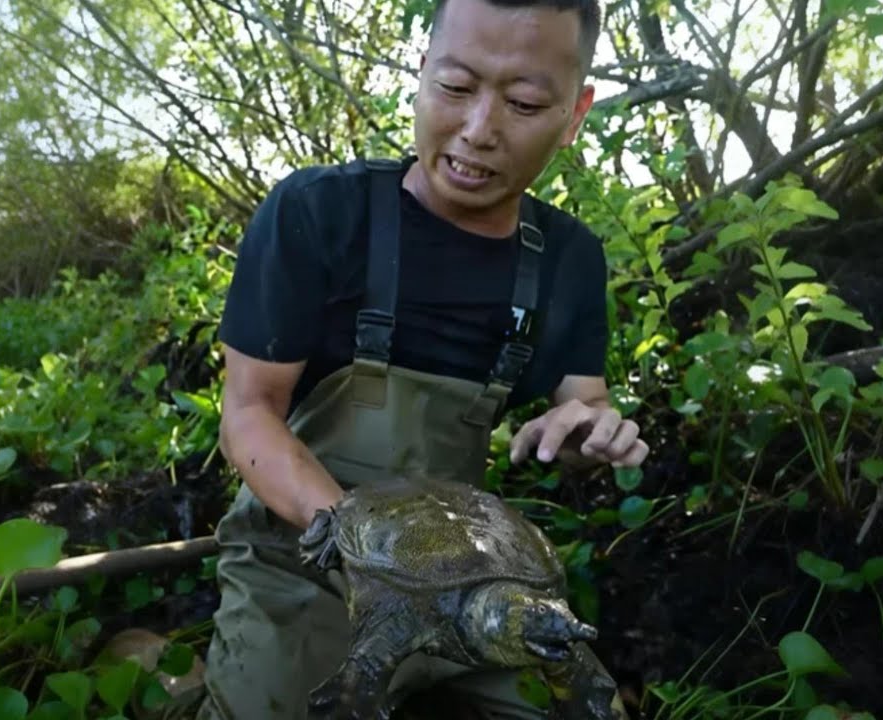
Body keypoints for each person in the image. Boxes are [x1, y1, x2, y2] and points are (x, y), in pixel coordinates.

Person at [197, 0, 648, 717]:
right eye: (456, 87)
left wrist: (590, 432)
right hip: (304, 563)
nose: (479, 129)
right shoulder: (318, 213)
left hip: (473, 579)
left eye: (524, 103)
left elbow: (583, 403)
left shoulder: (569, 259)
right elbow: (248, 415)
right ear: (420, 72)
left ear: (574, 115)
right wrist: (369, 551)